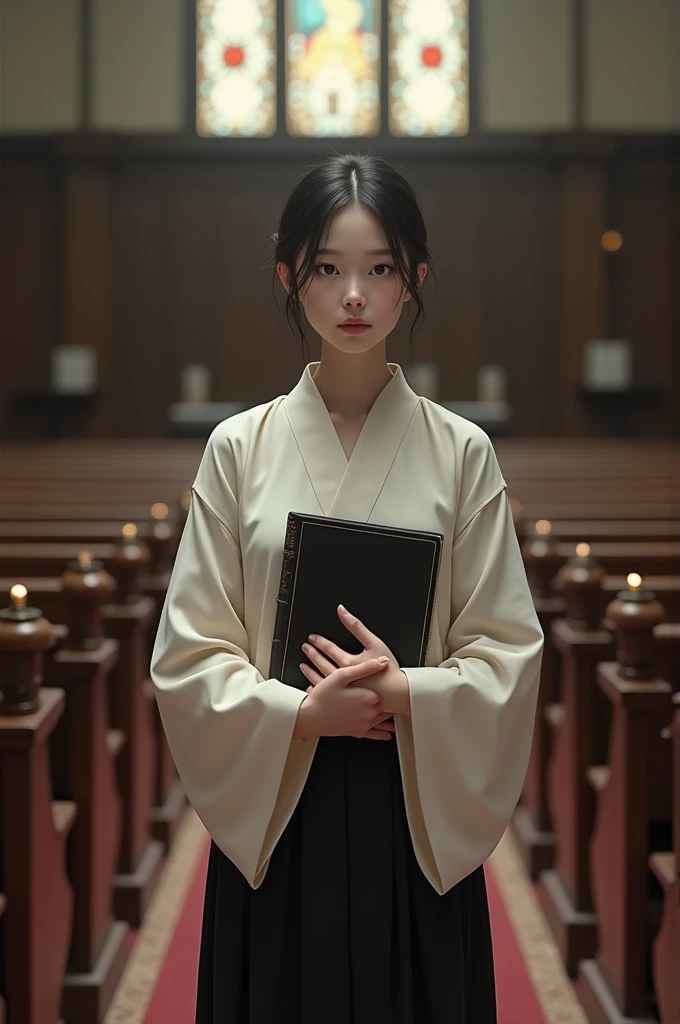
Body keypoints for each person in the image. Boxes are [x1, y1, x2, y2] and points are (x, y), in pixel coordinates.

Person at [150, 151, 544, 1023]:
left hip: (414, 802)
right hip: (278, 805)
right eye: (328, 268)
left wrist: (404, 692)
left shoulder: (463, 452)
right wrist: (301, 713)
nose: (354, 295)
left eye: (380, 269)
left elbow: (506, 649)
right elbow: (189, 651)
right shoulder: (237, 449)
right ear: (290, 277)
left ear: (415, 281)